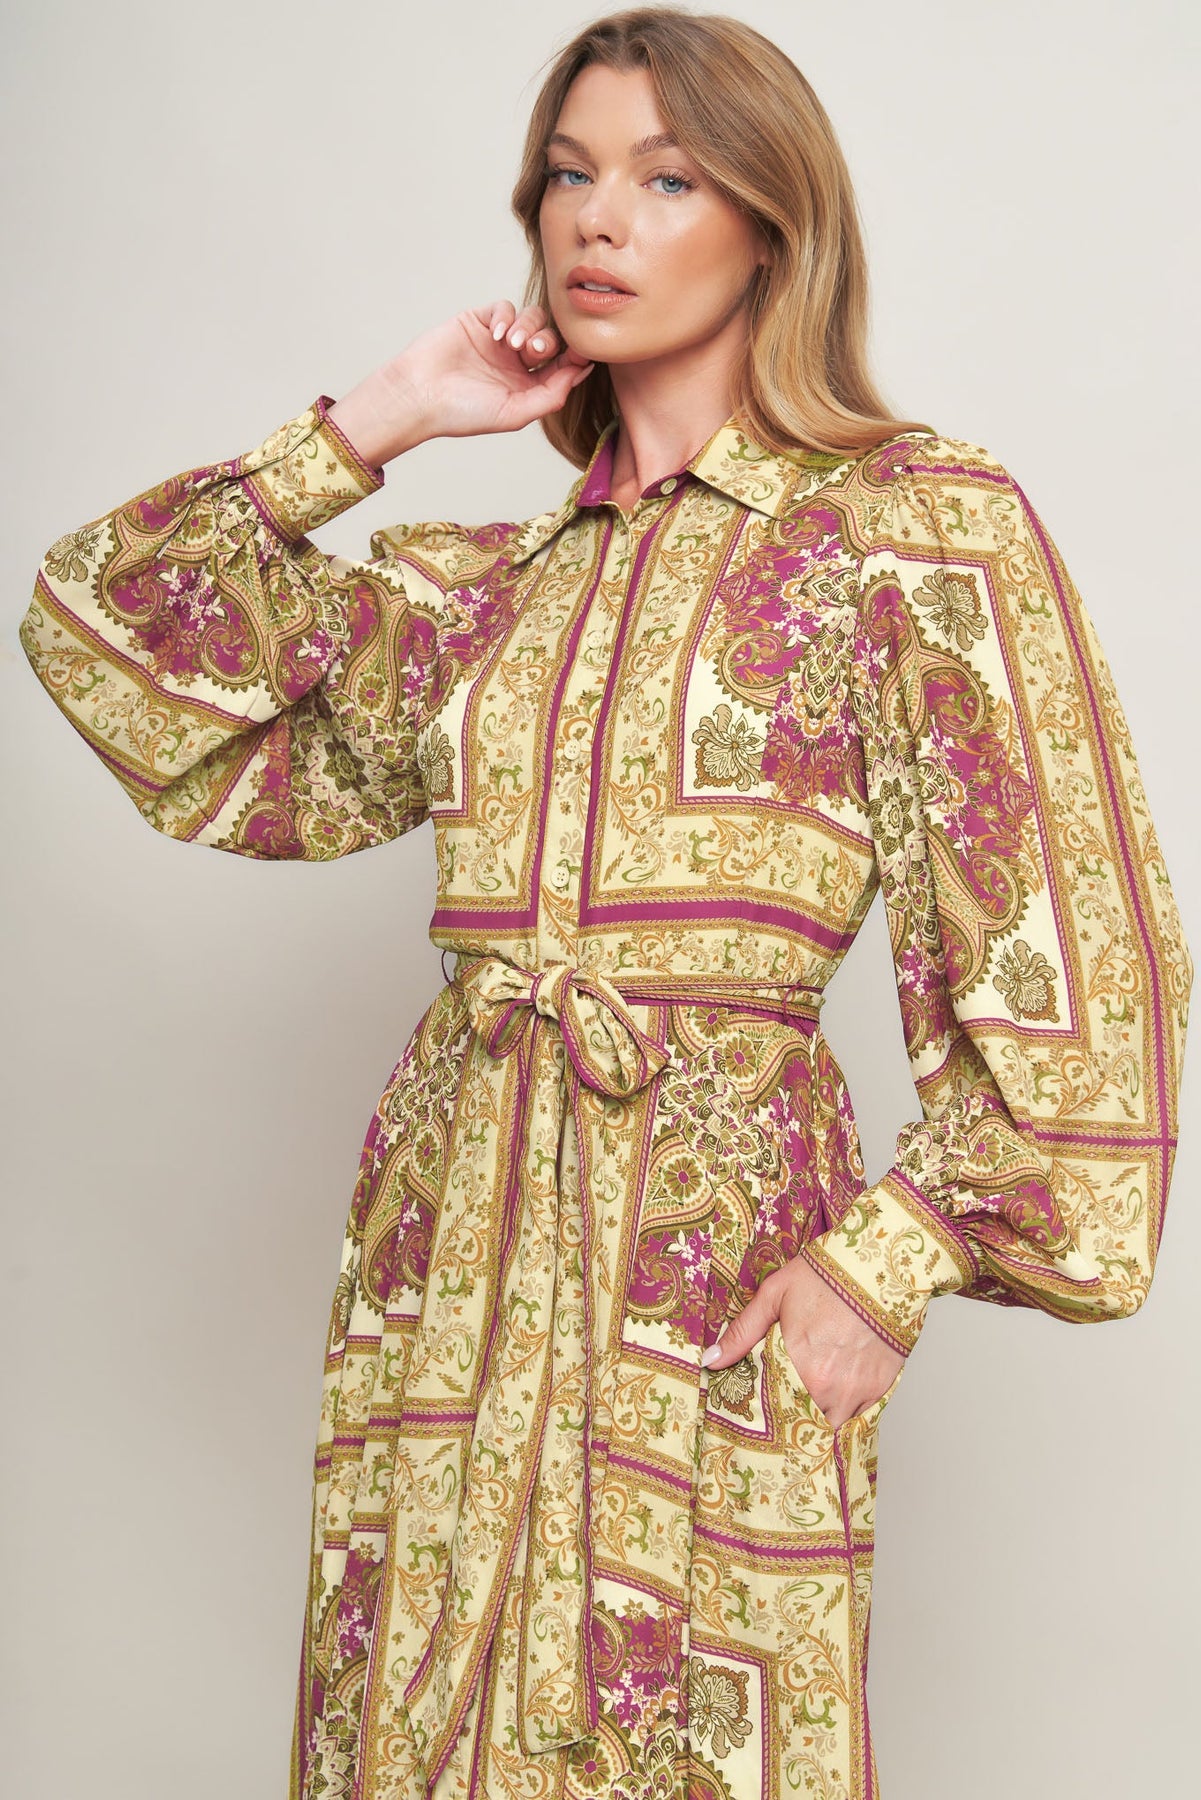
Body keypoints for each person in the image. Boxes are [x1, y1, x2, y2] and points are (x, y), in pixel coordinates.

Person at [18, 7, 1192, 1798]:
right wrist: (387, 416)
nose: (598, 218)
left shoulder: (910, 531)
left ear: (774, 225)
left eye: (667, 177)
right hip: (449, 1267)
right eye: (567, 176)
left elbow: (1081, 950)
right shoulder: (484, 597)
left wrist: (883, 1271)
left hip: (709, 1271)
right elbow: (106, 627)